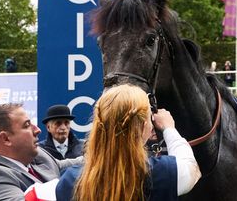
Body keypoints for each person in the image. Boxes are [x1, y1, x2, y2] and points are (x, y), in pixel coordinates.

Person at [55, 85, 200, 200]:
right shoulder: (161, 173)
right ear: (144, 127)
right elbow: (191, 169)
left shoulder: (69, 181)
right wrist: (169, 128)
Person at [0, 103, 81, 201]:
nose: (37, 130)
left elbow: (68, 165)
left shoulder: (37, 155)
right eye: (27, 125)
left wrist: (97, 155)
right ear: (5, 138)